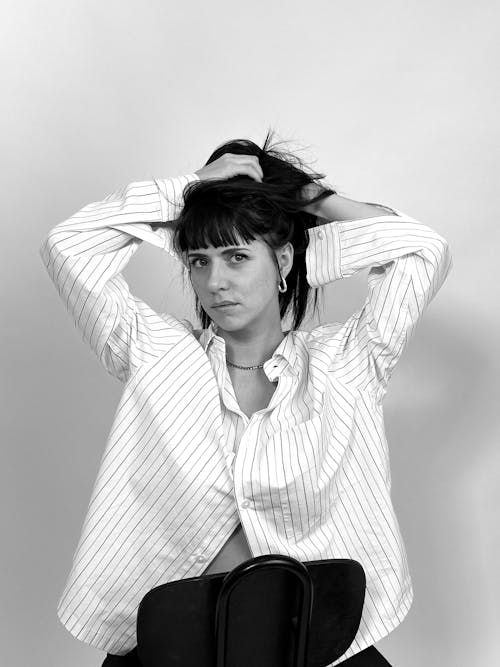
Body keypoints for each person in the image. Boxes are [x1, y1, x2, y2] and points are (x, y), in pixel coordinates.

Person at [40, 130, 452, 666]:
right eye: (198, 261)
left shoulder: (347, 361)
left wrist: (307, 203)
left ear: (281, 263)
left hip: (313, 642)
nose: (215, 282)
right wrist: (190, 191)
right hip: (173, 643)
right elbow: (67, 245)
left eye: (236, 257)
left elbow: (424, 249)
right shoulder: (155, 353)